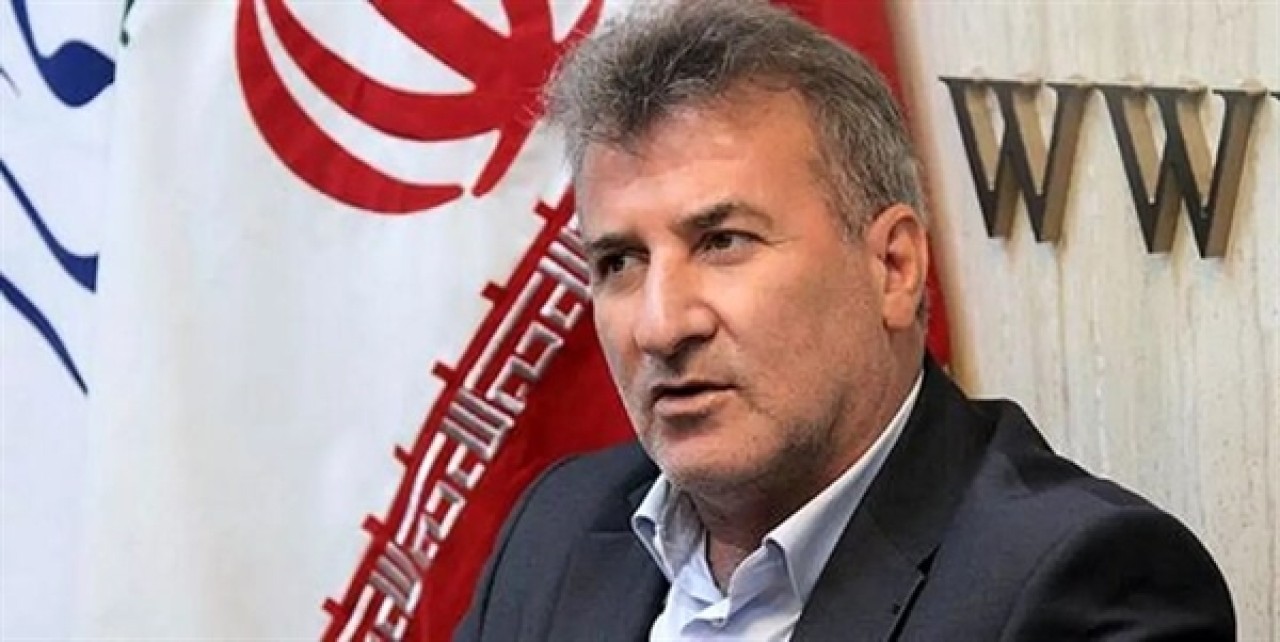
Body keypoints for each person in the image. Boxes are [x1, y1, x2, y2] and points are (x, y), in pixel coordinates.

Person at [456, 1, 1235, 640]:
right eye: (620, 261)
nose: (661, 326)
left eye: (723, 242)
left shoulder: (1086, 585)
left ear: (893, 266)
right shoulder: (554, 531)